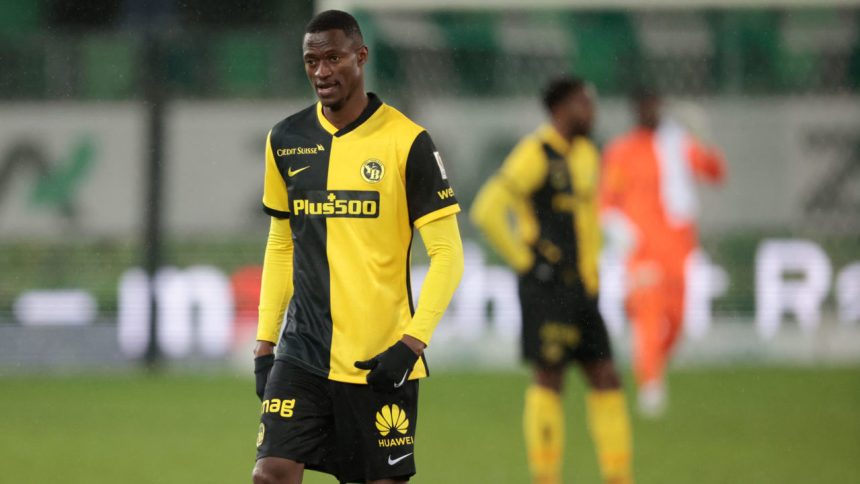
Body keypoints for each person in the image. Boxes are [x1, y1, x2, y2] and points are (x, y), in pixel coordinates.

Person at [251, 10, 464, 484]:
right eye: (311, 61)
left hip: (380, 359)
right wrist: (266, 342)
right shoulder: (285, 140)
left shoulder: (408, 142)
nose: (321, 72)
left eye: (333, 58)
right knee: (271, 473)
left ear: (361, 56)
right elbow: (282, 243)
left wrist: (411, 345)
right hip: (303, 349)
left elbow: (448, 255)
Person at [471, 77, 633, 484]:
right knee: (550, 377)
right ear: (560, 109)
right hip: (546, 287)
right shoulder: (535, 153)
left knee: (606, 375)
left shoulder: (587, 155)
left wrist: (593, 272)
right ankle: (546, 476)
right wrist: (524, 260)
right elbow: (487, 209)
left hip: (582, 288)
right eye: (584, 103)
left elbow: (588, 222)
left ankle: (618, 475)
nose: (592, 112)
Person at [600, 88, 725, 417]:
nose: (651, 112)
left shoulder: (678, 144)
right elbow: (607, 201)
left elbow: (715, 173)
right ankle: (650, 383)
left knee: (677, 319)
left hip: (678, 249)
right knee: (648, 314)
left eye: (655, 106)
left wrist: (705, 142)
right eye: (645, 106)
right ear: (636, 111)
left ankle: (652, 362)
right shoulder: (621, 151)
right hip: (642, 250)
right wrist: (619, 231)